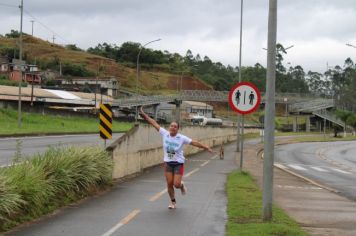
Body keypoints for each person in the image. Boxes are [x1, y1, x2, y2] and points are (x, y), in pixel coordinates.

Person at [139, 107, 213, 209]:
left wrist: (206, 147)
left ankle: (181, 186)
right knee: (169, 184)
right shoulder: (165, 134)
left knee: (176, 184)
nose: (172, 127)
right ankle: (173, 202)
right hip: (168, 163)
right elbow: (154, 123)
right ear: (169, 127)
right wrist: (144, 115)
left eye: (175, 127)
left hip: (178, 163)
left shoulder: (181, 138)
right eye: (171, 126)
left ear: (177, 129)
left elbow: (194, 142)